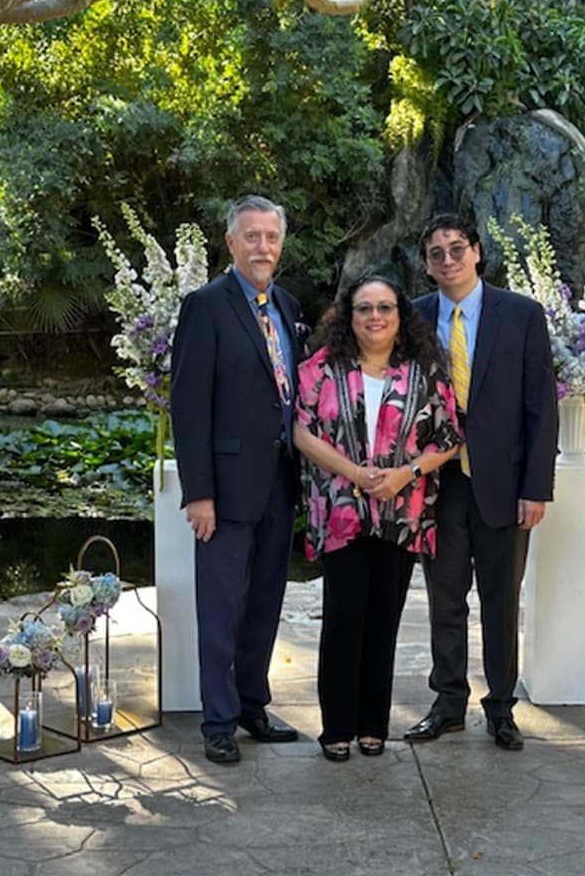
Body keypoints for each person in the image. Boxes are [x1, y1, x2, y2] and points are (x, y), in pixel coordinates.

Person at [405, 214, 558, 751]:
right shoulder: (413, 318)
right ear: (427, 266)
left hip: (504, 483)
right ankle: (448, 704)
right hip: (439, 484)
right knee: (445, 599)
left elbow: (541, 405)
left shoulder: (521, 314)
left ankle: (501, 708)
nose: (448, 260)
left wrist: (536, 488)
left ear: (476, 252)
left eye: (457, 249)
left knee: (501, 600)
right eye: (436, 253)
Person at [293, 274, 461, 762]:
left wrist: (405, 474)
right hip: (341, 512)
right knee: (343, 618)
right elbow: (302, 432)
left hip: (401, 513)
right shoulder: (321, 368)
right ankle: (336, 728)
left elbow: (448, 438)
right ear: (349, 316)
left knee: (384, 620)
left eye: (385, 307)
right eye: (364, 308)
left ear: (400, 315)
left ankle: (373, 726)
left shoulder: (425, 372)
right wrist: (355, 473)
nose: (375, 317)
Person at [170, 194, 304, 765]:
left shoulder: (287, 306)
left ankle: (252, 705)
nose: (262, 247)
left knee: (265, 601)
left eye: (271, 237)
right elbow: (188, 405)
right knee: (221, 607)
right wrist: (198, 492)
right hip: (224, 489)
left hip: (280, 479)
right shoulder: (205, 307)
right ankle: (218, 721)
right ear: (230, 242)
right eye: (252, 236)